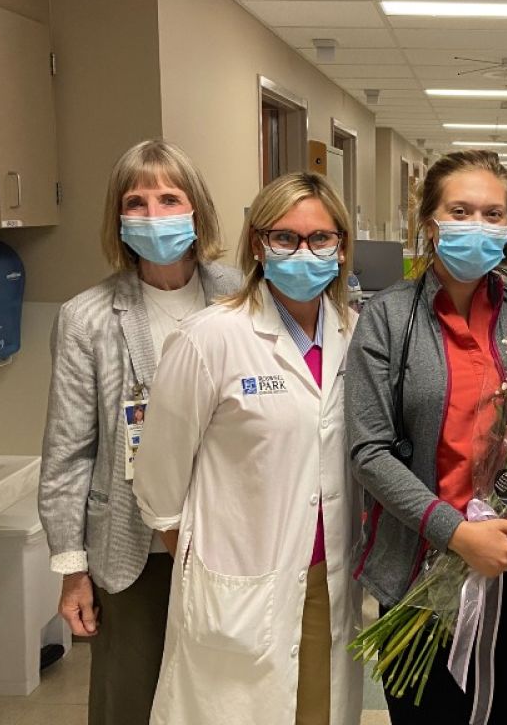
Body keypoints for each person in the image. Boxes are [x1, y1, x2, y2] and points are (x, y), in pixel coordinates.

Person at [346, 150, 507, 724]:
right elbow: (369, 451)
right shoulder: (389, 318)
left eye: (493, 214)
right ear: (430, 223)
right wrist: (455, 534)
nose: (478, 226)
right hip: (423, 562)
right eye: (461, 211)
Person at [133, 172, 362, 725]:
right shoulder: (209, 337)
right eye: (284, 238)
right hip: (238, 582)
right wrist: (217, 566)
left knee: (319, 714)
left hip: (329, 576)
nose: (302, 252)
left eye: (320, 239)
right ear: (258, 245)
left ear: (341, 248)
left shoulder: (357, 333)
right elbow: (159, 485)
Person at [39, 140, 240, 725]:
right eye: (137, 201)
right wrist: (72, 570)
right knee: (128, 699)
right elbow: (68, 453)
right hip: (134, 547)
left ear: (196, 208)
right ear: (118, 218)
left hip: (229, 535)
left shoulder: (242, 296)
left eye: (170, 198)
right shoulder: (89, 316)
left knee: (224, 696)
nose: (155, 216)